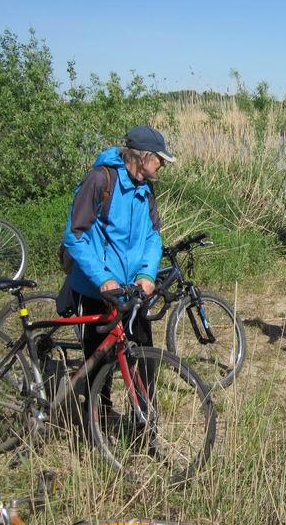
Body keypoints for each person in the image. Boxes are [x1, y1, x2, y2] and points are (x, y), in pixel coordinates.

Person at [61, 125, 174, 415]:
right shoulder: (100, 180)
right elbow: (75, 235)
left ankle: (145, 422)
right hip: (101, 289)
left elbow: (153, 236)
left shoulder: (145, 188)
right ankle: (97, 415)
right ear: (142, 156)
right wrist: (103, 279)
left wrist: (148, 274)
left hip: (133, 290)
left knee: (144, 357)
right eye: (159, 158)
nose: (162, 164)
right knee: (99, 359)